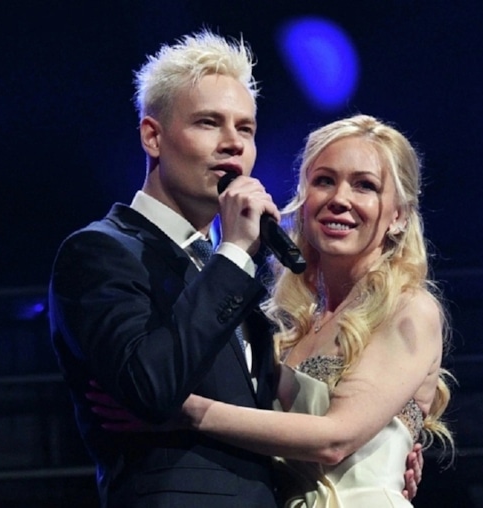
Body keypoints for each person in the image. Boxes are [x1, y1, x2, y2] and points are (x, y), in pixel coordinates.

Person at [49, 30, 423, 507]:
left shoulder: (229, 271)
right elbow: (151, 389)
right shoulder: (101, 252)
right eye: (209, 123)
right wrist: (234, 253)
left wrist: (375, 457)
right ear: (153, 137)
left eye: (245, 129)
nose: (233, 144)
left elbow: (283, 427)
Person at [179, 113, 455, 507]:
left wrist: (186, 412)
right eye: (324, 180)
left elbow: (335, 439)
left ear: (399, 216)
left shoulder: (410, 309)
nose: (339, 199)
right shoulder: (298, 325)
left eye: (365, 185)